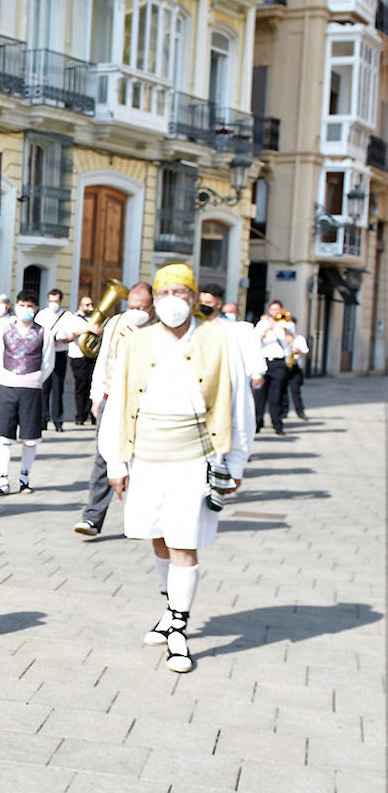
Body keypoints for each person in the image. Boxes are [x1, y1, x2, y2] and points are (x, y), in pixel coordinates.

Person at [99, 264, 253, 672]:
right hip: (146, 457)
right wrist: (116, 461)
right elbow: (117, 404)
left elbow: (239, 404)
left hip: (194, 457)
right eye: (164, 293)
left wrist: (236, 459)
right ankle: (170, 609)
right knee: (158, 537)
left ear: (194, 297)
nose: (172, 301)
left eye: (180, 293)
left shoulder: (219, 338)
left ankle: (179, 631)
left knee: (185, 541)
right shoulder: (137, 341)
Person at [74, 283, 153, 536]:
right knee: (104, 456)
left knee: (141, 460)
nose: (135, 312)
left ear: (152, 306)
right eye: (131, 307)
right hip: (112, 398)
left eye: (141, 308)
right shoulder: (116, 323)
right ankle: (92, 518)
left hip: (145, 402)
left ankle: (138, 520)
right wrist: (96, 396)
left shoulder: (160, 329)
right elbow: (104, 358)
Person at [0, 290, 54, 496]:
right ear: (16, 306)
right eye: (23, 305)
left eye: (30, 306)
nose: (26, 309)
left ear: (36, 309)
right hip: (7, 385)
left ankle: (25, 477)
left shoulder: (45, 332)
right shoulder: (4, 329)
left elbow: (48, 361)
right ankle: (3, 479)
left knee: (30, 437)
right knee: (2, 436)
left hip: (31, 387)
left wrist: (35, 379)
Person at [200, 287, 266, 394]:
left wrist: (257, 374)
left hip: (227, 379)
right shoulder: (196, 326)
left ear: (218, 304)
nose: (204, 305)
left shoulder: (234, 328)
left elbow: (253, 350)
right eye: (202, 302)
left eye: (208, 302)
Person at [35, 288, 76, 432]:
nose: (54, 304)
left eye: (56, 301)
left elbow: (73, 335)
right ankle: (42, 419)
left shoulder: (67, 316)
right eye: (51, 301)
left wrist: (63, 340)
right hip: (45, 352)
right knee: (44, 387)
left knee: (58, 388)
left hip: (60, 352)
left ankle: (58, 420)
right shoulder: (42, 315)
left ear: (60, 301)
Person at [254, 300, 295, 434]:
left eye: (277, 309)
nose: (275, 312)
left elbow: (291, 340)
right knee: (260, 394)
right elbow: (256, 339)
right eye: (272, 309)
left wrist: (283, 327)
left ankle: (277, 424)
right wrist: (268, 327)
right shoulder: (263, 323)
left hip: (279, 363)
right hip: (264, 361)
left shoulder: (287, 324)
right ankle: (257, 423)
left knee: (276, 395)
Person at [68, 294, 98, 425]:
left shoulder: (95, 318)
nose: (90, 307)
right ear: (80, 306)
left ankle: (93, 415)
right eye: (87, 305)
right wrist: (88, 329)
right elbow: (71, 333)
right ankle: (80, 415)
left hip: (92, 355)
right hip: (78, 356)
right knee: (81, 386)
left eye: (91, 304)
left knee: (92, 385)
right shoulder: (73, 318)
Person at [284, 318, 310, 420]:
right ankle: (283, 411)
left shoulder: (299, 339)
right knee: (282, 391)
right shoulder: (282, 339)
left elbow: (305, 354)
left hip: (295, 367)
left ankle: (300, 411)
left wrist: (297, 350)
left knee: (295, 391)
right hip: (284, 366)